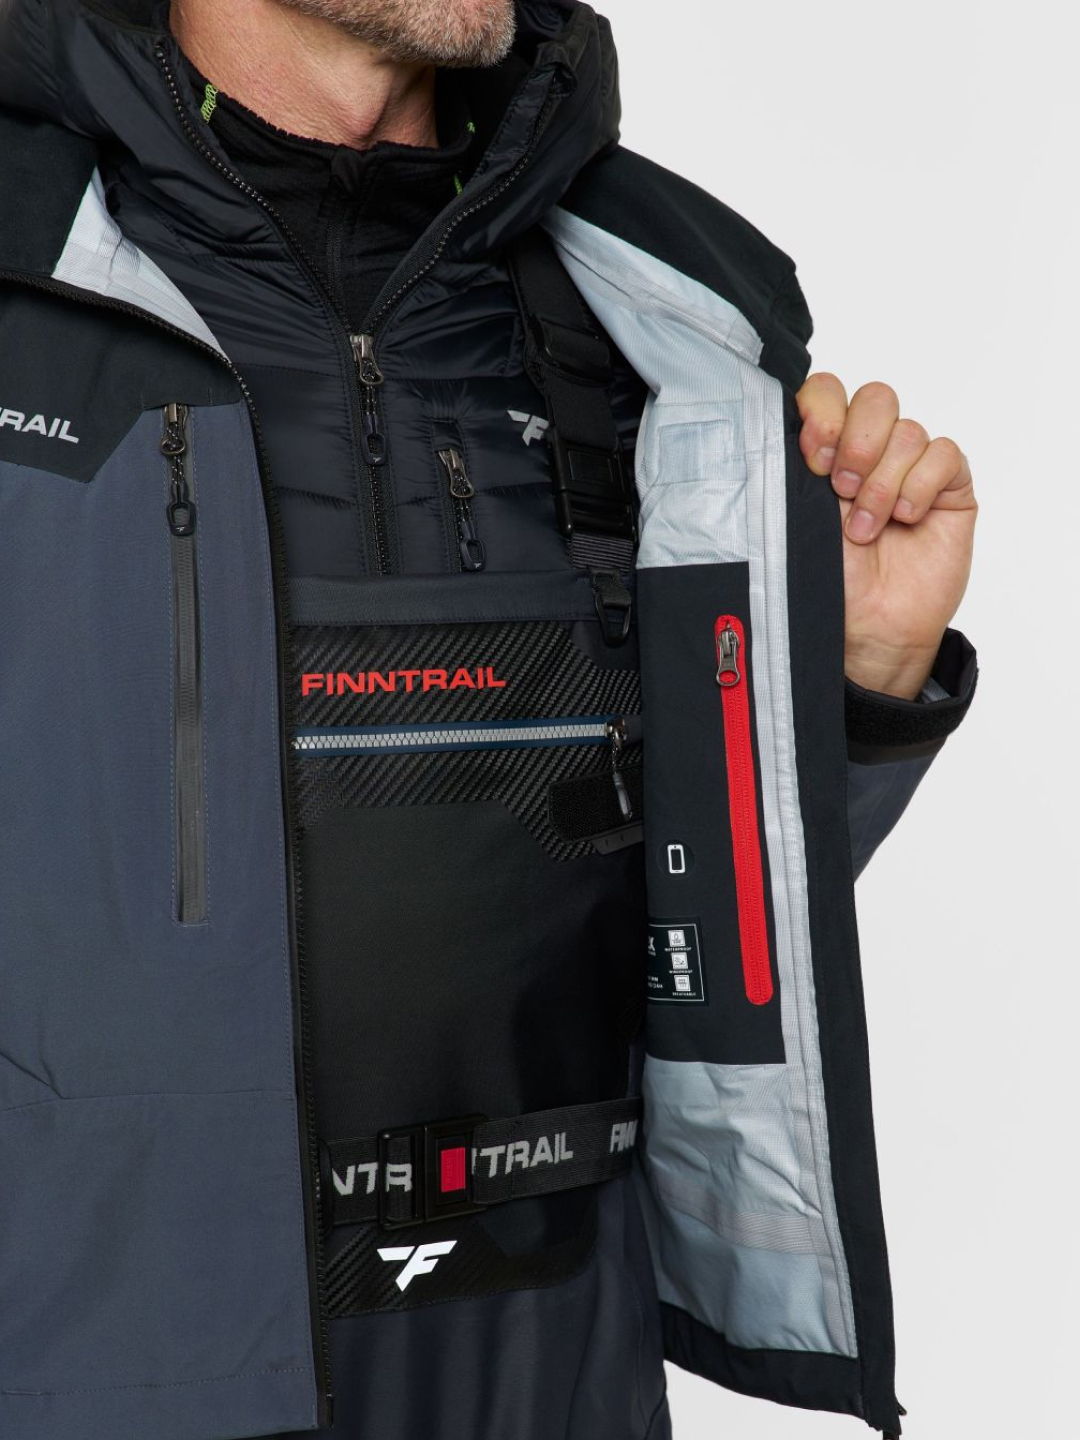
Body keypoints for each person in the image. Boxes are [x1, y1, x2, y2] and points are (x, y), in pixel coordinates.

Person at [0, 2, 977, 1438]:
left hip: (556, 1369)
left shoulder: (664, 318)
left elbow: (688, 914)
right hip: (97, 1380)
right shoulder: (31, 263)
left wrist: (847, 687)